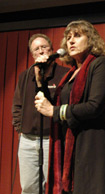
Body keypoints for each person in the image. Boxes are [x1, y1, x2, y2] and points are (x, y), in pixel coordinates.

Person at [34, 20, 105, 194]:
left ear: (91, 40)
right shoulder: (71, 72)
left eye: (77, 36)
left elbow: (94, 106)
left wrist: (55, 112)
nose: (70, 41)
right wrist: (40, 80)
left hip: (92, 144)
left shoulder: (100, 64)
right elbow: (56, 104)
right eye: (68, 37)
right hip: (69, 142)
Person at [12, 34, 69, 194]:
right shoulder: (25, 75)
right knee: (29, 187)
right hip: (28, 140)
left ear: (52, 50)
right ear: (32, 55)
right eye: (36, 49)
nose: (41, 51)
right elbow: (17, 105)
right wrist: (20, 128)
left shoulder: (64, 73)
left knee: (51, 187)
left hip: (51, 139)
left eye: (44, 47)